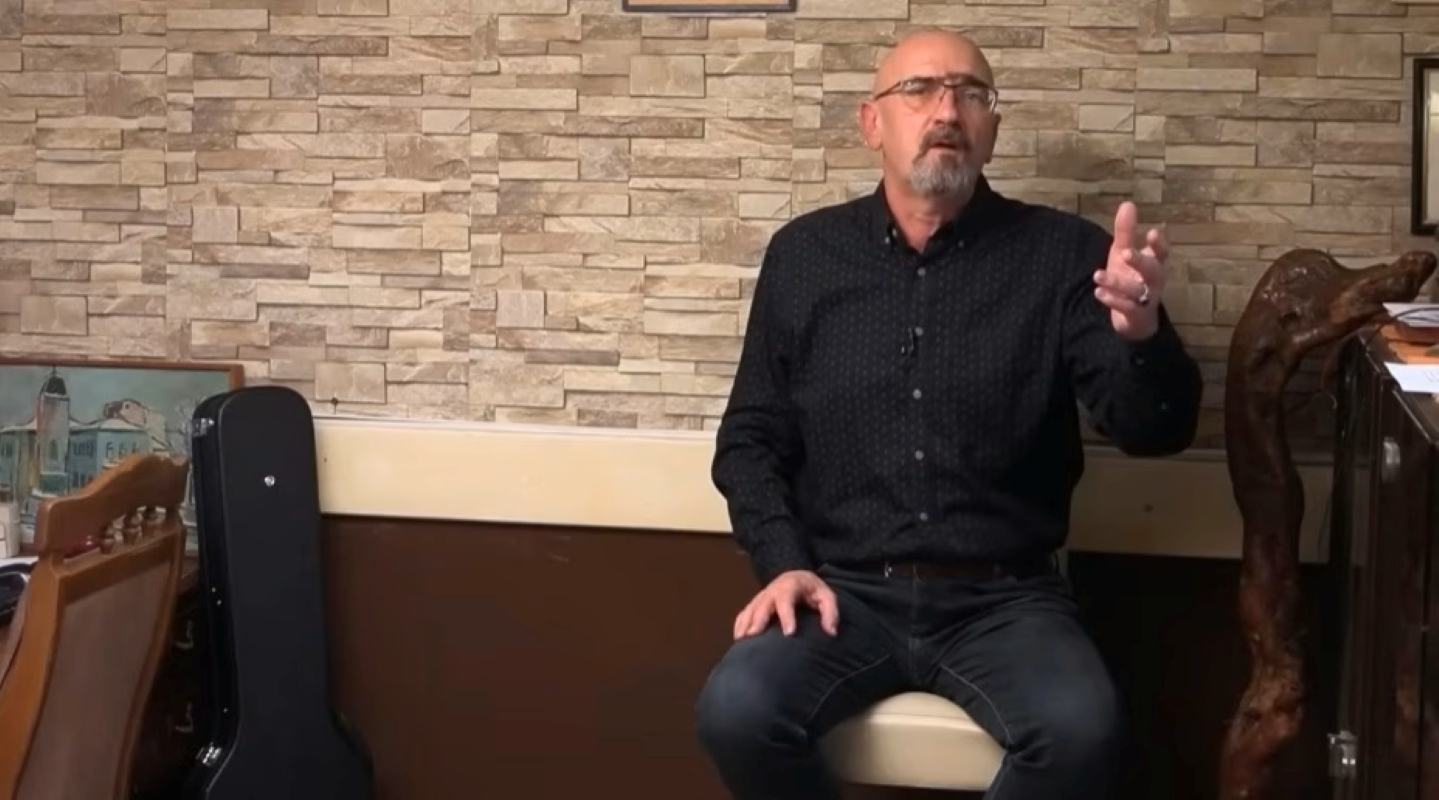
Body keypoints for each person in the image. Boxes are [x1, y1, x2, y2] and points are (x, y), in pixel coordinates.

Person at [694, 27, 1204, 800]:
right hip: (843, 591)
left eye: (970, 94)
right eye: (919, 90)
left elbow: (1155, 431)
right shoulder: (804, 257)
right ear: (871, 123)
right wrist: (783, 561)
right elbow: (749, 439)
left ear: (991, 128)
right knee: (736, 710)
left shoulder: (1067, 255)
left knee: (1082, 732)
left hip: (1007, 599)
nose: (946, 111)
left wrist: (1140, 337)